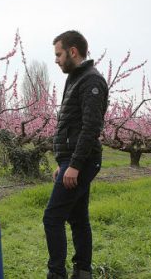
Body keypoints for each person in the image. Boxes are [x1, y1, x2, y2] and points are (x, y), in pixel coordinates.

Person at [43, 30, 108, 279]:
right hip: (73, 161)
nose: (56, 60)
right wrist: (64, 163)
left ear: (72, 51)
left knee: (52, 218)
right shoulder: (76, 78)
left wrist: (75, 165)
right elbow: (73, 124)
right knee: (78, 218)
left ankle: (56, 274)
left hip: (83, 160)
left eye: (59, 54)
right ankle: (83, 272)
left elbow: (91, 127)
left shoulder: (91, 81)